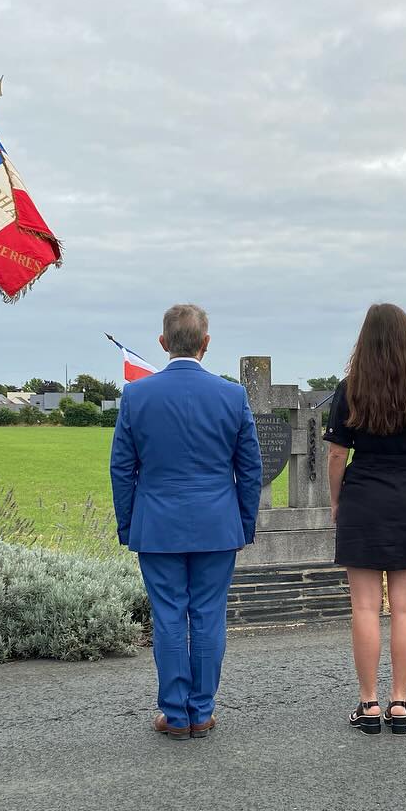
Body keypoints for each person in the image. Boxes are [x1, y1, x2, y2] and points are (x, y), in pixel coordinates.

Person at [109, 304, 262, 740]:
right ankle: (203, 710)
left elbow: (122, 468)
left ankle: (175, 714)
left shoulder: (137, 396)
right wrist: (243, 523)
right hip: (217, 523)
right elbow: (249, 469)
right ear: (206, 343)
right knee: (209, 615)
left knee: (169, 616)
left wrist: (129, 525)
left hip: (157, 524)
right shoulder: (232, 396)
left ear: (162, 343)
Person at [324, 303, 406, 735]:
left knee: (364, 606)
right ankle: (400, 703)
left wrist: (336, 501)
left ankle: (369, 703)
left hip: (363, 494)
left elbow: (338, 453)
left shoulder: (351, 388)